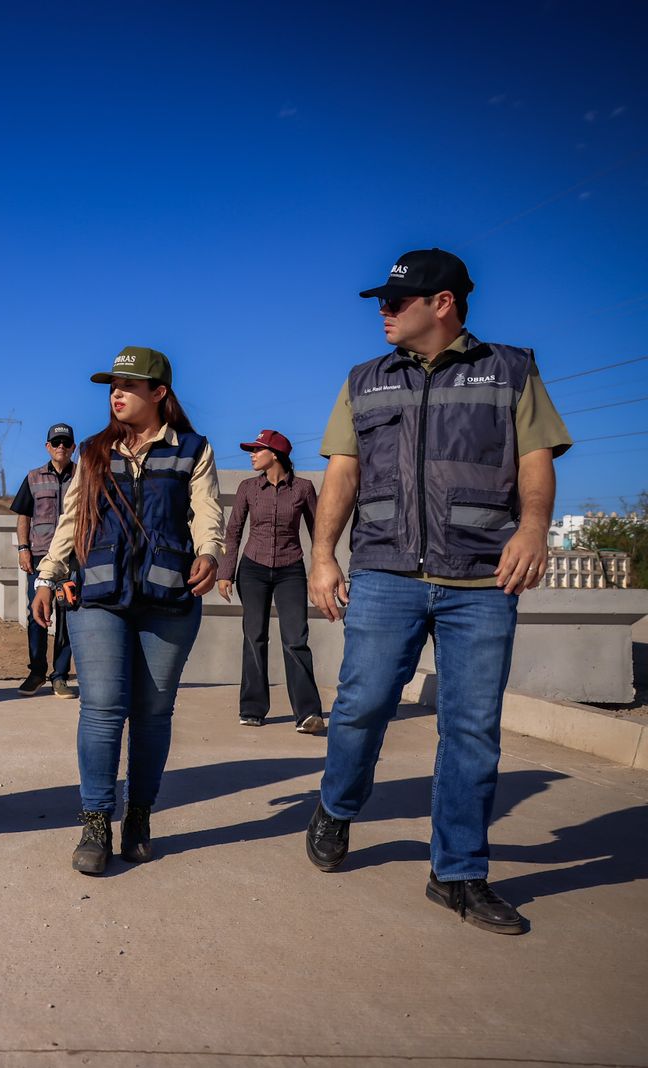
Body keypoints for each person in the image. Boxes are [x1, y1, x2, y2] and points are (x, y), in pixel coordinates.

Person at [305, 248, 571, 936]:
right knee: (361, 706)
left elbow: (535, 464)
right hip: (387, 574)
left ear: (443, 303)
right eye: (383, 303)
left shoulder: (511, 370)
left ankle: (457, 874)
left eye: (396, 302)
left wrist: (534, 529)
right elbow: (342, 475)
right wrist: (323, 557)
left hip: (481, 579)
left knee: (472, 731)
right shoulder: (365, 380)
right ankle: (337, 806)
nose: (384, 313)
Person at [31, 346, 222, 875]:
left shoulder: (192, 450)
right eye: (112, 385)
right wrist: (48, 577)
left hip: (168, 597)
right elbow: (70, 523)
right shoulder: (92, 452)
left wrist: (210, 551)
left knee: (154, 712)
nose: (116, 393)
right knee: (102, 707)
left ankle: (139, 815)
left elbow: (207, 510)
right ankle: (95, 819)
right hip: (100, 596)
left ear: (158, 393)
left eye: (128, 385)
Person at [216, 429, 323, 732]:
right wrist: (226, 573)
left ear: (275, 454)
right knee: (254, 636)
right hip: (253, 569)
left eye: (256, 449)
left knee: (296, 639)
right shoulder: (247, 487)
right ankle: (252, 709)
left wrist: (324, 569)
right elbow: (233, 532)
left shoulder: (303, 488)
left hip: (291, 570)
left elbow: (319, 535)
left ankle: (307, 713)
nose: (251, 454)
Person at [11, 423, 77, 697]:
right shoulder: (33, 477)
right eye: (56, 442)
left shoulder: (83, 476)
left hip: (74, 557)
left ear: (73, 447)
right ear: (47, 446)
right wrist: (23, 548)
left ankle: (59, 676)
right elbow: (24, 515)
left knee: (68, 613)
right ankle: (37, 671)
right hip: (39, 556)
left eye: (66, 442)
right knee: (37, 612)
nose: (61, 447)